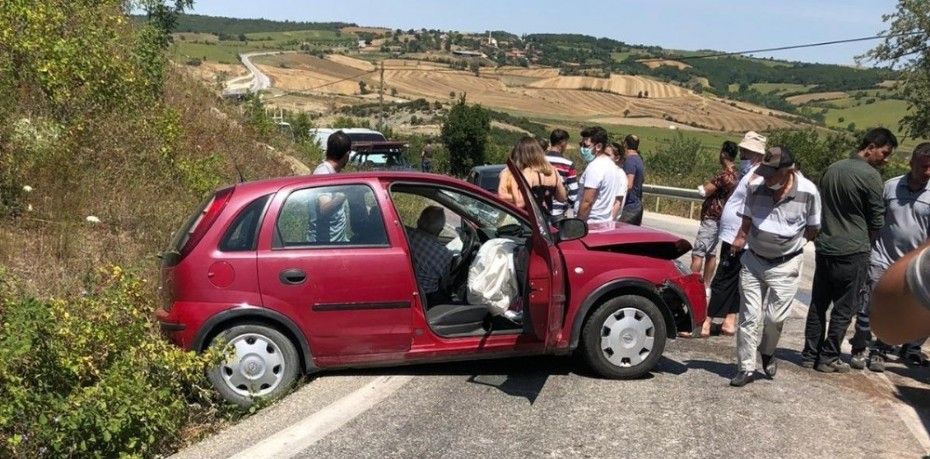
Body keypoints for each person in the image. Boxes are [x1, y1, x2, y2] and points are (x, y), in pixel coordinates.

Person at [802, 128, 895, 372]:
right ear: (871, 146)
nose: (886, 159)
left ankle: (810, 353)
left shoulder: (833, 168)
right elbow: (877, 221)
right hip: (853, 250)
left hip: (825, 247)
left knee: (818, 304)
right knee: (844, 307)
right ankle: (829, 357)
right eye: (884, 153)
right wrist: (867, 244)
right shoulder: (871, 177)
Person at [730, 146, 821, 387]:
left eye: (772, 173)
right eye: (764, 171)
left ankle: (768, 350)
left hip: (785, 264)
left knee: (774, 318)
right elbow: (747, 218)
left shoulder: (809, 192)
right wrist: (740, 238)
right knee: (749, 317)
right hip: (754, 260)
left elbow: (813, 228)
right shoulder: (755, 186)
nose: (766, 177)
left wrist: (791, 244)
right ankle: (746, 367)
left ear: (788, 171)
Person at [851, 141, 930, 371]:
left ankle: (881, 349)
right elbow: (876, 218)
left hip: (912, 265)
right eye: (923, 166)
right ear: (911, 162)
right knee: (870, 304)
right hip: (882, 256)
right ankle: (860, 347)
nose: (927, 172)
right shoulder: (890, 187)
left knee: (898, 308)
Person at [700, 131, 767, 337]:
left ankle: (708, 320)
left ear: (756, 155)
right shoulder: (751, 173)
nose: (742, 156)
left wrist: (741, 235)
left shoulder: (757, 176)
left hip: (737, 235)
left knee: (723, 276)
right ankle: (730, 320)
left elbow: (752, 207)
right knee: (736, 277)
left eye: (746, 153)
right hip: (736, 233)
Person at [691, 141, 739, 289]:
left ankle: (691, 286)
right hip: (723, 217)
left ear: (724, 154)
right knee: (711, 253)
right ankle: (705, 286)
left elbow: (705, 191)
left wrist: (701, 187)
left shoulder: (723, 175)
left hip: (712, 215)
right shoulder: (737, 174)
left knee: (698, 252)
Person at [498, 136, 567, 214]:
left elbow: (520, 202)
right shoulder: (553, 171)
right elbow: (562, 197)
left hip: (528, 220)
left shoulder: (528, 173)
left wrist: (511, 180)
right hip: (545, 220)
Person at [308, 131, 352, 243]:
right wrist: (344, 195)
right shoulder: (323, 174)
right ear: (347, 155)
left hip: (337, 242)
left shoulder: (331, 173)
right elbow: (324, 208)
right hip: (325, 246)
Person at [407, 206, 454, 307]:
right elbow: (444, 284)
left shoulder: (404, 233)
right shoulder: (446, 254)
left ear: (418, 221)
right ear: (440, 230)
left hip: (404, 290)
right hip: (426, 299)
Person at [575, 127, 622, 223]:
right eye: (581, 144)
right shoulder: (611, 165)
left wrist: (578, 224)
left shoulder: (595, 167)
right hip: (604, 222)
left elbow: (587, 201)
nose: (582, 148)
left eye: (586, 145)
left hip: (590, 223)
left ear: (599, 146)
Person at [545, 129, 580, 219]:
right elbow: (574, 191)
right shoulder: (567, 164)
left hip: (539, 211)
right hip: (558, 211)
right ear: (562, 143)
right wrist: (567, 206)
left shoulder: (539, 161)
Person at [618, 134, 645, 225]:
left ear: (625, 144)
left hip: (629, 206)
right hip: (637, 204)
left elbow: (629, 184)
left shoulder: (630, 160)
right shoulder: (639, 159)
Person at [606, 142, 628, 220]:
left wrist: (610, 222)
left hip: (608, 221)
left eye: (607, 155)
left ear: (617, 158)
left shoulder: (620, 175)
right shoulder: (608, 172)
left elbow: (618, 202)